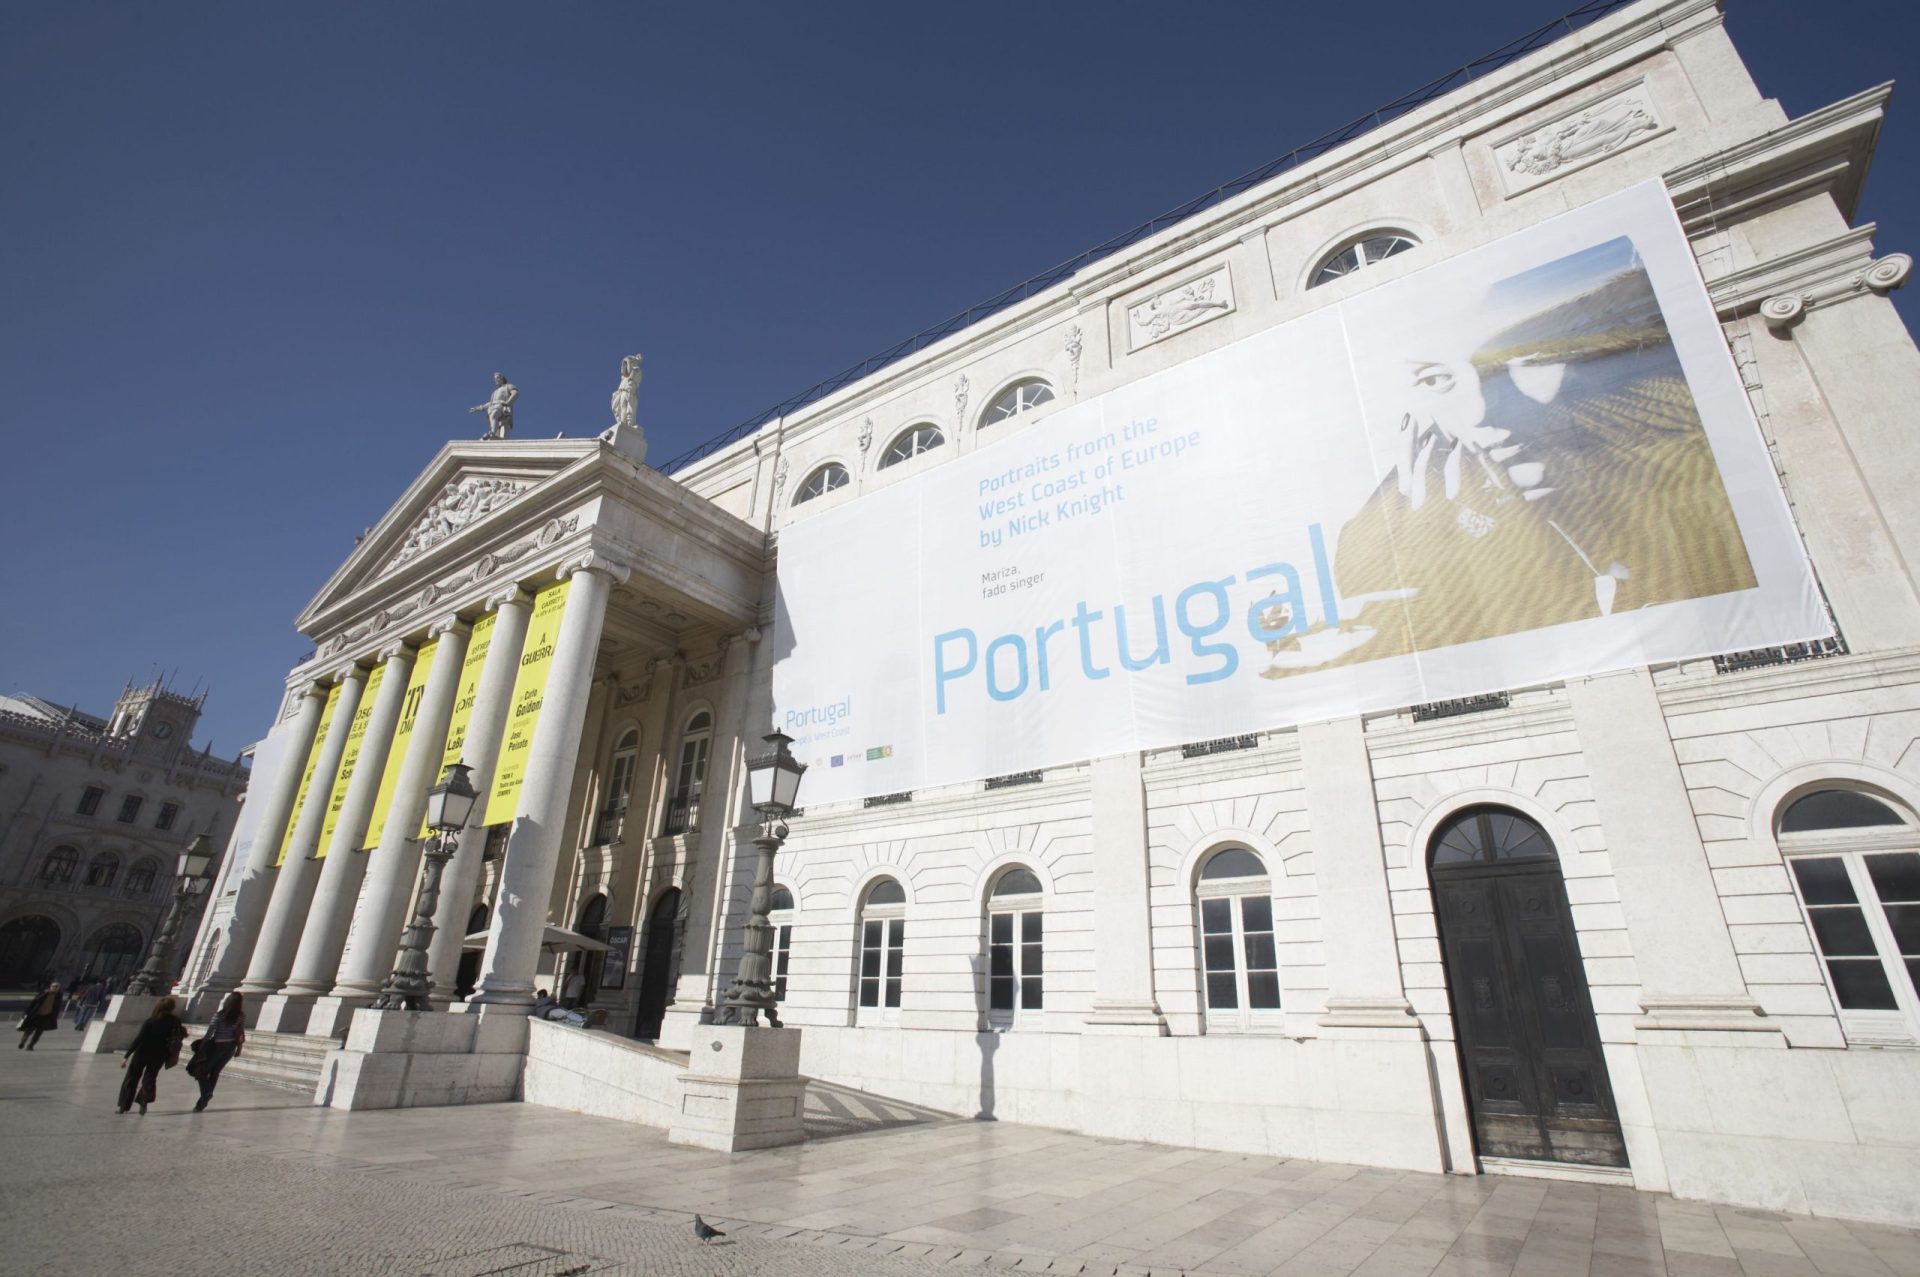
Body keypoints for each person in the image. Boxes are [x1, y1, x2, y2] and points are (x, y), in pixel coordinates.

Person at [117, 996, 186, 1115]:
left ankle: (124, 1106)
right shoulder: (175, 1021)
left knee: (132, 1078)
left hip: (142, 1052)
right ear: (172, 1008)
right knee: (150, 1078)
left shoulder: (151, 1021)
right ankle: (144, 1100)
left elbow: (139, 1039)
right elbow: (180, 1035)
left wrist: (126, 1056)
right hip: (160, 1054)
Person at [191, 991, 247, 1112]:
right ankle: (203, 1101)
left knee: (202, 1072)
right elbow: (241, 1033)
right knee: (215, 1072)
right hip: (230, 1047)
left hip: (217, 1046)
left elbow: (210, 1032)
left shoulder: (219, 1015)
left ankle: (206, 1093)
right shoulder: (241, 1016)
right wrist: (239, 1049)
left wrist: (202, 1046)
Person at [17, 981, 62, 1050]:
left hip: (46, 1016)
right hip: (36, 1015)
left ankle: (30, 1045)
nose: (54, 988)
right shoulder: (44, 993)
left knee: (38, 1032)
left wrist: (54, 1016)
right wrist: (26, 1012)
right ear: (50, 987)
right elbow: (34, 1002)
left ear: (58, 988)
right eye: (53, 986)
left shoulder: (58, 996)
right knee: (29, 1030)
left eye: (56, 987)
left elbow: (57, 1007)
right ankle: (22, 1042)